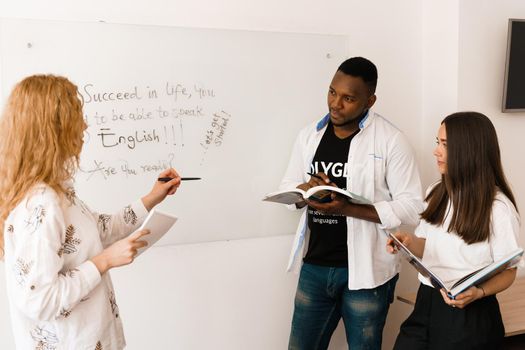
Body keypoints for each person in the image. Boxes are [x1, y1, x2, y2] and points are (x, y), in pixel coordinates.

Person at [0, 75, 182, 349]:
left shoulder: (57, 193)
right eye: (76, 117)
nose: (84, 126)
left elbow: (101, 229)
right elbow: (40, 300)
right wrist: (104, 261)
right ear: (53, 129)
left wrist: (150, 199)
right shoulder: (41, 203)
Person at [280, 57, 423, 349]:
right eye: (332, 92)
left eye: (348, 98)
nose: (335, 103)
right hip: (314, 267)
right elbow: (287, 187)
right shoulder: (309, 136)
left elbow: (412, 205)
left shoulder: (391, 141)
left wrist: (348, 209)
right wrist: (304, 189)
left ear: (370, 100)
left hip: (367, 274)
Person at [387, 112, 521, 350]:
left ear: (468, 151)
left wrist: (479, 292)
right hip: (426, 302)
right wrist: (407, 241)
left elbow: (509, 271)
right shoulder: (436, 192)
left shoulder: (498, 208)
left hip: (469, 314)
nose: (436, 151)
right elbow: (429, 246)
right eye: (437, 142)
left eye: (445, 145)